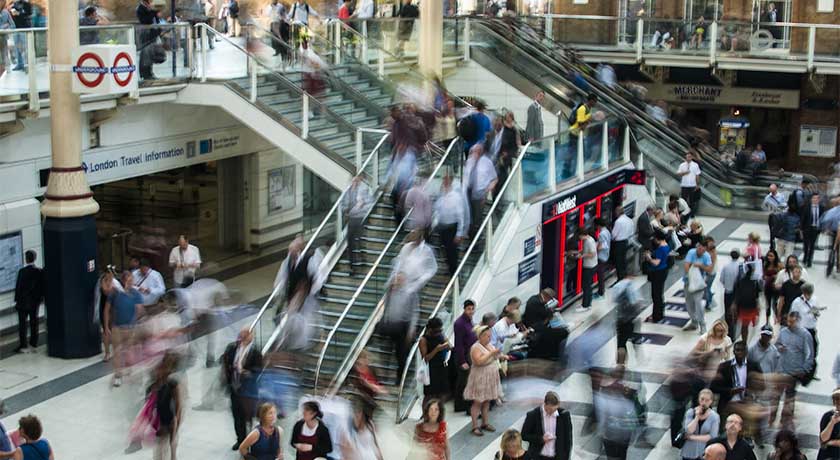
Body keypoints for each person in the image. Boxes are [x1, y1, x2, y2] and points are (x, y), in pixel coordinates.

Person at [380, 230, 437, 380]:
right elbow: (385, 306)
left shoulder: (410, 293)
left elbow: (414, 312)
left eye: (400, 278)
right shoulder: (391, 291)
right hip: (392, 323)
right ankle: (386, 373)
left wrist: (411, 330)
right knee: (388, 348)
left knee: (401, 353)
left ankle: (401, 377)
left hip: (403, 325)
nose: (398, 280)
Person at [272, 235, 326, 350]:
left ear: (299, 249)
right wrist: (278, 293)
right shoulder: (287, 262)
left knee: (307, 316)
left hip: (306, 295)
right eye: (290, 251)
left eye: (293, 250)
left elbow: (317, 277)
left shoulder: (309, 259)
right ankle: (291, 340)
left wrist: (310, 292)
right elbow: (282, 277)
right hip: (293, 294)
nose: (291, 253)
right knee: (293, 316)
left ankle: (304, 343)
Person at [223, 328, 263, 450]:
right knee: (237, 416)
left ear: (252, 336)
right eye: (242, 333)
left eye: (246, 334)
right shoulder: (233, 348)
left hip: (248, 391)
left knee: (249, 417)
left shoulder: (255, 352)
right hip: (235, 388)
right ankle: (240, 439)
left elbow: (259, 370)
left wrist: (248, 373)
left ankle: (250, 441)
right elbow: (226, 362)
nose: (243, 336)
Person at [464, 325, 505, 436]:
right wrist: (491, 354)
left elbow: (495, 356)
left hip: (490, 376)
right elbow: (478, 361)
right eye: (486, 336)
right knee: (478, 402)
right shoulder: (475, 347)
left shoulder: (490, 345)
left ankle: (485, 423)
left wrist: (501, 355)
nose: (489, 338)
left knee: (487, 400)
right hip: (480, 376)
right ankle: (474, 426)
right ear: (480, 336)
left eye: (489, 336)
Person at [105, 271, 143, 387]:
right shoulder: (115, 293)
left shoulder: (136, 294)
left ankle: (129, 369)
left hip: (131, 328)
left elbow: (139, 310)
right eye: (128, 280)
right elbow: (107, 309)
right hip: (117, 328)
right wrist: (106, 326)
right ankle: (118, 375)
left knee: (130, 351)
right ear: (123, 281)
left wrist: (135, 323)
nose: (130, 283)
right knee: (117, 352)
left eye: (132, 280)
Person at [776, 311, 813, 430]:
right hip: (782, 370)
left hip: (794, 372)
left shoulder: (805, 335)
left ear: (798, 321)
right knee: (776, 395)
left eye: (792, 322)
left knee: (789, 396)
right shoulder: (783, 332)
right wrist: (779, 348)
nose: (789, 324)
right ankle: (774, 417)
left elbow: (810, 354)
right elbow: (776, 345)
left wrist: (804, 369)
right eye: (788, 321)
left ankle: (786, 419)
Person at [710, 341, 761, 420]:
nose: (740, 353)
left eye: (742, 350)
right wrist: (730, 391)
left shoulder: (754, 366)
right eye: (737, 350)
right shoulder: (724, 367)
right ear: (733, 352)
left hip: (747, 405)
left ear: (746, 352)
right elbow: (713, 387)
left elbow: (761, 384)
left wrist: (751, 394)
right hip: (728, 405)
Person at [149, 352, 182, 460]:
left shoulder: (172, 383)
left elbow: (178, 406)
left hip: (169, 422)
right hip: (159, 423)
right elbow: (150, 405)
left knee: (170, 450)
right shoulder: (154, 385)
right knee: (159, 451)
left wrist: (176, 425)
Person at [521, 391, 572, 460]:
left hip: (557, 457)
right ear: (545, 404)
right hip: (539, 457)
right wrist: (541, 439)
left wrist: (567, 457)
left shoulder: (564, 415)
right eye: (550, 410)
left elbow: (568, 439)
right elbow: (524, 435)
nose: (552, 412)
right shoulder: (533, 415)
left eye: (555, 410)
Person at [434, 173, 467, 276]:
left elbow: (460, 215)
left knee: (452, 250)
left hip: (452, 227)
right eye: (444, 181)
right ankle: (450, 268)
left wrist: (459, 233)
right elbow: (437, 209)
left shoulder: (456, 197)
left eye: (446, 181)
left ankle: (454, 270)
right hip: (442, 226)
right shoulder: (441, 196)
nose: (444, 183)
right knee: (445, 249)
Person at [464, 144, 498, 239]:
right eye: (474, 151)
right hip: (468, 191)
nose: (475, 153)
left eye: (477, 151)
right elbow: (466, 176)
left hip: (480, 192)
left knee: (477, 218)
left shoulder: (487, 163)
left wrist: (487, 191)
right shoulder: (469, 161)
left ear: (481, 152)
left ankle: (475, 240)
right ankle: (470, 234)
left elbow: (494, 179)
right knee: (469, 216)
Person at [13, 250, 44, 354]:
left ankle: (23, 345)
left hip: (23, 303)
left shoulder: (22, 272)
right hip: (34, 303)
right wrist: (39, 299)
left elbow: (18, 288)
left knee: (22, 325)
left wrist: (17, 300)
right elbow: (41, 288)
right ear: (34, 258)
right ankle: (33, 344)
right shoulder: (39, 272)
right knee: (34, 322)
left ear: (26, 259)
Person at [788, 282, 820, 381]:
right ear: (803, 293)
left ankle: (811, 373)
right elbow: (792, 315)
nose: (809, 296)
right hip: (801, 330)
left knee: (814, 350)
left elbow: (817, 312)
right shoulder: (797, 302)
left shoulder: (815, 299)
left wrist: (815, 313)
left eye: (810, 293)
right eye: (807, 293)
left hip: (811, 329)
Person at [342, 174, 372, 270]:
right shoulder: (347, 192)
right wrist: (345, 210)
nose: (354, 183)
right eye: (353, 181)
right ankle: (352, 265)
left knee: (359, 239)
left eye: (356, 181)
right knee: (350, 241)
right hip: (351, 219)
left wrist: (361, 206)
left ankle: (362, 258)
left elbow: (369, 203)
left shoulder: (364, 190)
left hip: (360, 218)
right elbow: (342, 205)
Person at [419, 317, 451, 407]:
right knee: (429, 395)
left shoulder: (441, 335)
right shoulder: (423, 340)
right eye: (436, 331)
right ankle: (426, 414)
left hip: (441, 367)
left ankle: (438, 413)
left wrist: (447, 344)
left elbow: (450, 346)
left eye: (440, 330)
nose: (439, 332)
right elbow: (425, 358)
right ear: (430, 329)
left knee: (442, 393)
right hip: (430, 369)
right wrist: (436, 349)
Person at [681, 388, 720, 460]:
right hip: (689, 452)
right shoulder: (690, 412)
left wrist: (691, 437)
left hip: (705, 452)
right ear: (699, 399)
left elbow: (712, 436)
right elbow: (688, 431)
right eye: (702, 399)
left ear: (711, 401)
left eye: (707, 400)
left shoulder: (715, 417)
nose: (704, 402)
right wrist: (696, 417)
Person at [684, 241, 714, 334]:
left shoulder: (706, 256)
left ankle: (702, 324)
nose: (700, 251)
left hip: (699, 284)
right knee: (689, 303)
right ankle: (694, 321)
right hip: (688, 282)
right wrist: (691, 276)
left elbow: (709, 269)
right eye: (699, 248)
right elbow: (686, 265)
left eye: (703, 250)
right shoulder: (691, 252)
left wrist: (700, 265)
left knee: (698, 304)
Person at [453, 300, 477, 413]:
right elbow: (459, 344)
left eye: (472, 309)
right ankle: (460, 405)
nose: (471, 311)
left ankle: (464, 404)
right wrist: (462, 361)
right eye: (469, 309)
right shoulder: (460, 323)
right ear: (464, 309)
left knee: (466, 381)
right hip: (463, 356)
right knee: (463, 382)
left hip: (470, 354)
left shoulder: (469, 321)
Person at [612, 271, 641, 360]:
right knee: (634, 336)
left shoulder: (617, 286)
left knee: (621, 342)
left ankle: (621, 362)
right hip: (631, 318)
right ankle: (637, 355)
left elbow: (615, 300)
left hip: (621, 318)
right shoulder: (631, 286)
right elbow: (636, 302)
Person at [644, 231, 671, 323]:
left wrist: (649, 258)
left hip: (658, 273)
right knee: (659, 294)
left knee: (656, 295)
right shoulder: (666, 245)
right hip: (663, 271)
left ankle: (656, 316)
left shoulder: (660, 249)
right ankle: (659, 313)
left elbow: (656, 263)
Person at [731, 264, 761, 343]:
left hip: (745, 307)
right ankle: (745, 341)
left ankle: (745, 341)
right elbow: (757, 296)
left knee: (745, 326)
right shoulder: (754, 282)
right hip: (748, 307)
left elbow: (737, 294)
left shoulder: (740, 281)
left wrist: (734, 304)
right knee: (748, 326)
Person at [719, 250, 744, 338]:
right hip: (738, 293)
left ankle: (730, 331)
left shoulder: (726, 267)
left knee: (727, 312)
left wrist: (727, 284)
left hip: (728, 292)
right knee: (736, 311)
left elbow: (721, 279)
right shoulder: (741, 267)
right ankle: (734, 327)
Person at [576, 228, 598, 313]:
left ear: (582, 235)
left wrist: (582, 256)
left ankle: (586, 305)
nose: (579, 238)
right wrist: (579, 252)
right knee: (587, 286)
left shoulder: (589, 241)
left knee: (586, 286)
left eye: (579, 236)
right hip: (591, 265)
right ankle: (587, 303)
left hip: (589, 266)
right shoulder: (588, 240)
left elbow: (592, 254)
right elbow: (586, 250)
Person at [611, 206, 635, 282]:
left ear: (618, 212)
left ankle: (620, 277)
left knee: (618, 261)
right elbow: (632, 231)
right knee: (623, 259)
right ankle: (624, 275)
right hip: (626, 241)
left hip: (619, 243)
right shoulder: (629, 220)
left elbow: (614, 234)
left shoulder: (618, 221)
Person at [801, 192, 824, 268]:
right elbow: (803, 218)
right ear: (811, 199)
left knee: (812, 245)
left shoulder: (821, 207)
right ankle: (805, 258)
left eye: (817, 198)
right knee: (806, 245)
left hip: (815, 229)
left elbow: (822, 218)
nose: (815, 200)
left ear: (819, 199)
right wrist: (801, 229)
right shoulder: (806, 207)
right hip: (807, 228)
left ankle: (810, 260)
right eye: (814, 198)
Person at [763, 184, 788, 251]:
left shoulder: (781, 196)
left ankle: (783, 245)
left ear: (776, 189)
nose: (772, 192)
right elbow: (764, 205)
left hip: (780, 215)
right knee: (772, 231)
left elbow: (786, 205)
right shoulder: (768, 197)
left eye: (773, 191)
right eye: (771, 191)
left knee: (781, 231)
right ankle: (772, 245)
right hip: (772, 215)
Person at [678, 152, 702, 218]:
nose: (688, 158)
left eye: (690, 156)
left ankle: (691, 214)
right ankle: (683, 213)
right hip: (684, 185)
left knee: (692, 201)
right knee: (683, 200)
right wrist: (685, 172)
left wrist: (697, 184)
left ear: (692, 157)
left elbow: (697, 175)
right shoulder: (682, 165)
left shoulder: (695, 165)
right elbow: (678, 173)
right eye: (687, 156)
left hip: (692, 185)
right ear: (685, 157)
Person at [818, 389, 840, 460]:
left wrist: (830, 442)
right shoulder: (828, 416)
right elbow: (823, 439)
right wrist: (832, 422)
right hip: (827, 455)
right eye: (836, 400)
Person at [763, 250, 783, 324]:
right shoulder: (766, 264)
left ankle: (777, 318)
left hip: (775, 288)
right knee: (767, 304)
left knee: (775, 304)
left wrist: (776, 276)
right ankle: (767, 321)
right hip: (768, 287)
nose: (769, 258)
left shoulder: (779, 265)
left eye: (771, 256)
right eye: (768, 256)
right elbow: (763, 275)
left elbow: (782, 274)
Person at [595, 218, 611, 298]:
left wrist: (595, 249)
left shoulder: (601, 234)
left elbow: (602, 246)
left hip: (601, 257)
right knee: (601, 274)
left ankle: (601, 292)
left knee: (600, 275)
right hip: (606, 255)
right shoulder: (607, 231)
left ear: (598, 225)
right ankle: (601, 291)